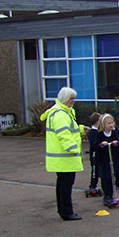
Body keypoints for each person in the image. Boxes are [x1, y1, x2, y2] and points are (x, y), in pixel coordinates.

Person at [41, 87, 90, 221]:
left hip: (62, 158)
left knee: (63, 184)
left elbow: (68, 130)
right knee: (65, 185)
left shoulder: (61, 112)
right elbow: (63, 134)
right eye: (71, 99)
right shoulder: (61, 114)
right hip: (65, 157)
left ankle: (64, 211)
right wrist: (73, 149)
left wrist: (80, 129)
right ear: (64, 99)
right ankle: (66, 212)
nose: (73, 101)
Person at [94, 113, 119, 205]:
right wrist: (101, 145)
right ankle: (107, 195)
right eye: (109, 123)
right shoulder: (100, 135)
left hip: (113, 158)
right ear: (103, 125)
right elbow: (95, 146)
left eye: (112, 123)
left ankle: (113, 194)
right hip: (104, 159)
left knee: (113, 175)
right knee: (106, 177)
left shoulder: (114, 133)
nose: (111, 125)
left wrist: (117, 144)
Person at [86, 112, 102, 194]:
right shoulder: (92, 132)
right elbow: (94, 144)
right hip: (94, 154)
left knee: (101, 169)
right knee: (95, 170)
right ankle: (92, 186)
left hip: (100, 154)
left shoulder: (99, 132)